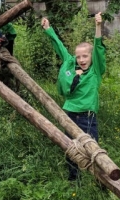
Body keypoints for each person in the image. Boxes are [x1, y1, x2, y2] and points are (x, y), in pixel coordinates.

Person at [41, 13, 106, 181]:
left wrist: (98, 26)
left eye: (85, 56)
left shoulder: (95, 71)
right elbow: (60, 47)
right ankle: (73, 180)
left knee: (92, 149)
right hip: (70, 115)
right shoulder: (70, 64)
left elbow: (98, 47)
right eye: (79, 56)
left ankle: (98, 180)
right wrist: (48, 29)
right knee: (71, 149)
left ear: (91, 57)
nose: (81, 59)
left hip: (87, 117)